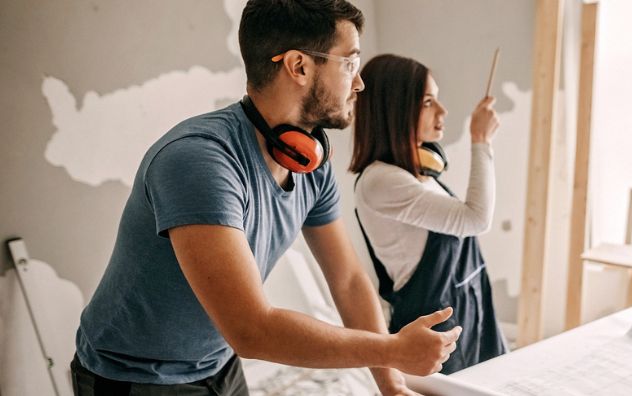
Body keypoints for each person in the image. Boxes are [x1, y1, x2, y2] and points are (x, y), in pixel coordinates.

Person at [71, 2, 459, 395]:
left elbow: (347, 280)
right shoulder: (199, 161)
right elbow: (252, 330)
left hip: (218, 363)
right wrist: (393, 349)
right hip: (132, 376)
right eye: (349, 64)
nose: (358, 83)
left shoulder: (311, 160)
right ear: (299, 66)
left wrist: (390, 384)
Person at [349, 54, 507, 374]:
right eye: (428, 102)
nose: (443, 111)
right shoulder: (381, 181)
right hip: (433, 326)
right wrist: (480, 141)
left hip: (470, 307)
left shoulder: (418, 173)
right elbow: (475, 219)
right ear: (395, 108)